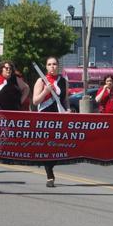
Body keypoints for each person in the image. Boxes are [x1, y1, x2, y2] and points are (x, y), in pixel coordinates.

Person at [32, 57, 69, 188]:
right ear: (46, 67)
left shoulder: (63, 81)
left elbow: (65, 100)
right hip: (45, 117)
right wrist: (45, 91)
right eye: (49, 64)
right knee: (47, 146)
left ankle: (50, 166)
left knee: (59, 146)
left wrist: (68, 110)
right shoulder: (41, 80)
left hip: (59, 117)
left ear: (58, 66)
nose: (52, 66)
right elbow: (35, 101)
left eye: (54, 64)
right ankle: (49, 175)